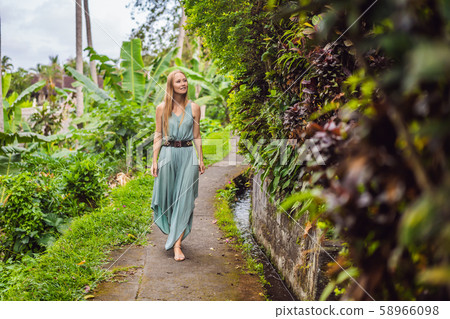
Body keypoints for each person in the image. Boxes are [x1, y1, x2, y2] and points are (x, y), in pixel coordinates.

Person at [150, 70, 205, 262]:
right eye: (178, 81)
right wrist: (154, 160)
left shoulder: (195, 108)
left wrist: (201, 158)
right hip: (168, 154)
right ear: (171, 86)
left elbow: (197, 135)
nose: (183, 83)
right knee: (168, 199)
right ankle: (174, 232)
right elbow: (158, 134)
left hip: (188, 155)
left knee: (184, 198)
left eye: (185, 80)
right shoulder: (161, 108)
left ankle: (177, 245)